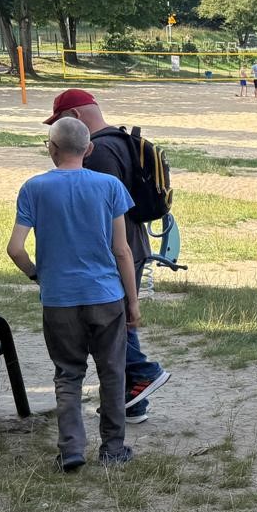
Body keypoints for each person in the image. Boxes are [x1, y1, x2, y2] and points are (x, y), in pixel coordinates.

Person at [7, 117, 139, 472]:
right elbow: (122, 250)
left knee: (67, 374)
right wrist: (133, 301)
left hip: (59, 299)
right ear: (89, 148)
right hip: (105, 296)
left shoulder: (34, 188)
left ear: (51, 147)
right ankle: (113, 448)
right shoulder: (109, 187)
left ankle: (71, 449)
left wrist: (38, 274)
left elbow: (16, 249)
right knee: (112, 372)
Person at [42, 90, 171, 425]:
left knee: (114, 323)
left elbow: (100, 206)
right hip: (130, 242)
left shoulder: (97, 151)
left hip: (115, 249)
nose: (58, 131)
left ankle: (145, 372)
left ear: (76, 116)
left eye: (59, 122)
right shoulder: (120, 139)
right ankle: (133, 403)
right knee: (119, 320)